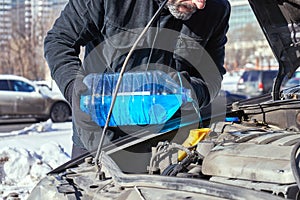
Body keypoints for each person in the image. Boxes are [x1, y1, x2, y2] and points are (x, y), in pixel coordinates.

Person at [44, 0, 231, 158]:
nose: (200, 4)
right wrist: (73, 87)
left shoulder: (216, 10)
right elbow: (59, 41)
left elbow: (212, 76)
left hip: (169, 142)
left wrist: (189, 90)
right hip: (98, 136)